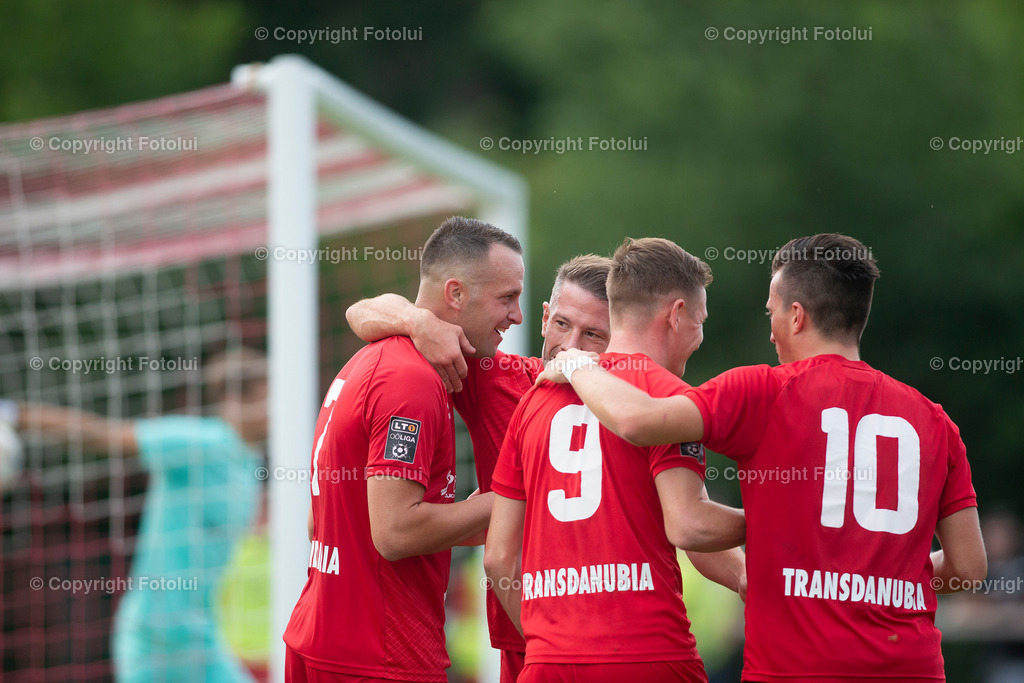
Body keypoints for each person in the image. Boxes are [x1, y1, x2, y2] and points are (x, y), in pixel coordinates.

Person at [538, 233, 988, 682]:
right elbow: (969, 568)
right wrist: (880, 578)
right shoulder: (935, 422)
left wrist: (579, 364)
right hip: (911, 668)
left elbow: (637, 419)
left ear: (796, 316)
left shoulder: (762, 391)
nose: (769, 330)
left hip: (792, 669)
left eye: (771, 313)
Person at [485, 237, 746, 683]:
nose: (699, 338)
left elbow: (497, 557)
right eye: (699, 322)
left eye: (589, 331)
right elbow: (691, 524)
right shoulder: (667, 397)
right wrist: (784, 513)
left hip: (549, 662)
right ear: (677, 314)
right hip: (648, 655)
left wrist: (548, 643)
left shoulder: (533, 402)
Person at [345, 253, 614, 682]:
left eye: (595, 334)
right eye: (563, 324)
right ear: (544, 318)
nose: (571, 347)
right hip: (529, 643)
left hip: (619, 641)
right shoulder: (494, 378)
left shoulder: (639, 408)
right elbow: (360, 312)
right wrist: (421, 323)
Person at [282, 216, 523, 682]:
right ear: (455, 294)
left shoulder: (374, 355)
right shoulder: (411, 381)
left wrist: (469, 517)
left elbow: (326, 518)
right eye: (506, 297)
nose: (516, 314)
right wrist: (515, 499)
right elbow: (394, 533)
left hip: (324, 636)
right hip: (380, 654)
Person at [2, 347, 267, 682]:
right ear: (236, 401)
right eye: (269, 396)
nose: (280, 406)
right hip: (153, 638)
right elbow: (104, 435)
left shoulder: (250, 461)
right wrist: (14, 415)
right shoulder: (203, 442)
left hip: (201, 640)